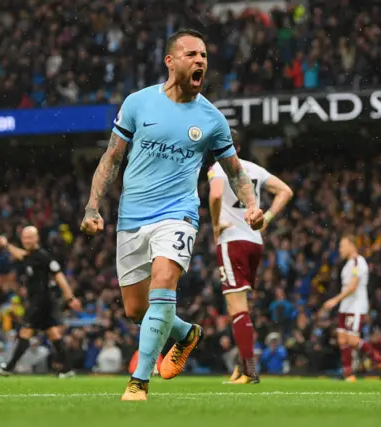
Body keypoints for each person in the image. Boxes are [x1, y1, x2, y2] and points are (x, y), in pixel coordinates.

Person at [80, 28, 264, 401]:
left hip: (177, 215)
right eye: (192, 54)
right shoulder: (137, 103)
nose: (201, 62)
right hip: (132, 216)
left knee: (164, 292)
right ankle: (185, 333)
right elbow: (112, 158)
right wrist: (92, 206)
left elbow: (235, 170)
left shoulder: (211, 118)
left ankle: (138, 382)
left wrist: (252, 204)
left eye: (205, 56)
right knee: (137, 310)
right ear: (171, 61)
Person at [208, 128, 293, 384]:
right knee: (242, 308)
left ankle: (249, 371)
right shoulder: (254, 169)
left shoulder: (218, 168)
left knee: (237, 309)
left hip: (232, 240)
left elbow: (214, 195)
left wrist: (214, 225)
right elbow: (285, 191)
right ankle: (241, 365)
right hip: (254, 242)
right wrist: (266, 218)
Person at [0, 226, 81, 378]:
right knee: (53, 333)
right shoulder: (30, 255)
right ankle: (68, 369)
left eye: (30, 237)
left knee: (25, 331)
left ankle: (9, 367)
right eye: (24, 238)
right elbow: (21, 255)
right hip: (39, 300)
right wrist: (7, 245)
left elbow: (59, 275)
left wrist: (70, 297)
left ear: (37, 238)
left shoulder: (43, 256)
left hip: (42, 300)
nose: (27, 240)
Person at [321, 235, 381, 381]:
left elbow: (352, 287)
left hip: (356, 306)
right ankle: (348, 374)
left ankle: (379, 359)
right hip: (345, 306)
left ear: (351, 245)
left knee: (352, 340)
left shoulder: (359, 262)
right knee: (342, 339)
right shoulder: (348, 264)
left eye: (342, 245)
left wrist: (334, 300)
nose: (340, 249)